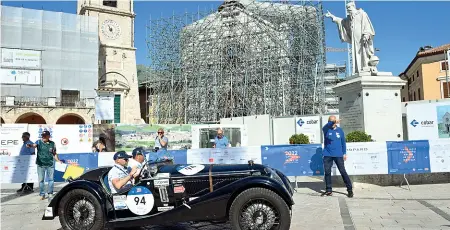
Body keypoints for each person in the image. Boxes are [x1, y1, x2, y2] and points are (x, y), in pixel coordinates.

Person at [325, 1, 377, 74]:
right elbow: (341, 21)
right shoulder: (349, 18)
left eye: (349, 7)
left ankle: (365, 67)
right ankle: (358, 69)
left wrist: (366, 34)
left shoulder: (362, 14)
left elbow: (367, 25)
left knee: (364, 52)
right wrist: (332, 16)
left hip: (362, 38)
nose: (348, 9)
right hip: (355, 40)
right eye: (347, 8)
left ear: (354, 6)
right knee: (356, 54)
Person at [322, 116, 353, 198]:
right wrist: (333, 121)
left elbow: (343, 142)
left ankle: (349, 189)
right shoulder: (326, 129)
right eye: (332, 121)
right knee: (327, 172)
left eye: (334, 121)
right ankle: (329, 190)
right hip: (327, 154)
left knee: (343, 171)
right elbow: (328, 125)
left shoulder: (340, 130)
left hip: (338, 154)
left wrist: (344, 153)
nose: (333, 122)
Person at [26, 131, 61, 200]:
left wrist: (58, 160)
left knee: (51, 180)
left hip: (50, 164)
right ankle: (42, 194)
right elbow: (34, 145)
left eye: (45, 136)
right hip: (40, 164)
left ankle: (50, 193)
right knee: (41, 180)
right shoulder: (38, 142)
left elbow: (54, 153)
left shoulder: (52, 143)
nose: (43, 137)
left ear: (48, 136)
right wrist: (29, 145)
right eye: (42, 136)